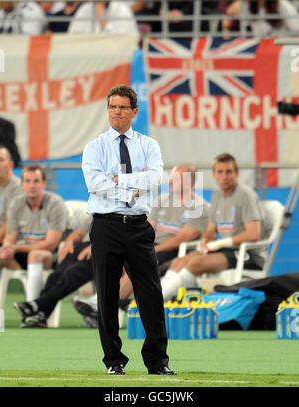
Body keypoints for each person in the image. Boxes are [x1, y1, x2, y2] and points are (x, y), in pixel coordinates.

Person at [82, 84, 176, 376]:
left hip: (138, 227)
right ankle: (113, 361)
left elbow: (155, 179)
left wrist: (118, 180)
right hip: (105, 226)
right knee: (107, 296)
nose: (117, 112)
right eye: (112, 106)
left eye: (123, 107)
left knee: (151, 294)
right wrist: (132, 188)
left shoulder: (149, 145)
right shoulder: (95, 146)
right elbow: (94, 184)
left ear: (134, 111)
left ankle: (157, 362)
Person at [74, 164, 210, 327]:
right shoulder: (161, 200)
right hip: (151, 247)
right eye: (172, 178)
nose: (172, 182)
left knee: (137, 262)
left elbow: (182, 238)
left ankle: (99, 304)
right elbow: (148, 227)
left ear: (190, 182)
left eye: (177, 179)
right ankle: (102, 310)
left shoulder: (200, 206)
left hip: (174, 252)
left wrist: (151, 249)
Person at [160, 153, 271, 302]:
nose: (224, 176)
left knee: (195, 263)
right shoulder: (217, 195)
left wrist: (220, 243)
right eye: (220, 172)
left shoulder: (246, 195)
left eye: (229, 171)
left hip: (248, 254)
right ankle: (159, 299)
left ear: (236, 173)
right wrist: (205, 241)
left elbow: (253, 234)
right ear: (214, 175)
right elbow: (211, 231)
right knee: (178, 262)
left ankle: (156, 303)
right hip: (226, 250)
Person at [0, 164, 69, 322]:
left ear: (44, 183)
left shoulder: (55, 203)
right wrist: (7, 247)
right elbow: (11, 235)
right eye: (28, 181)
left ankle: (31, 311)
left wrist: (15, 246)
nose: (32, 185)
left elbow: (51, 243)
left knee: (35, 254)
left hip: (50, 257)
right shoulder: (16, 203)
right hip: (20, 254)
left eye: (36, 181)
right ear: (22, 184)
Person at [13, 212, 93, 328]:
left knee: (72, 274)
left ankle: (36, 306)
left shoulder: (122, 213)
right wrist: (69, 241)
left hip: (105, 251)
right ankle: (40, 315)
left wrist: (96, 246)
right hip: (83, 248)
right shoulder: (96, 211)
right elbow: (78, 234)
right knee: (55, 276)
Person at [222, 0, 299, 37]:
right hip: (261, 50)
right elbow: (229, 12)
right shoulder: (248, 7)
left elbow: (297, 32)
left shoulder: (282, 4)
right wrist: (226, 29)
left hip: (280, 49)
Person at [0, 144, 23, 244]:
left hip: (11, 243)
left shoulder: (19, 188)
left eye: (0, 160)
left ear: (11, 165)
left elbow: (10, 224)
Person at [68, 1, 138, 34]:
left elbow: (121, 42)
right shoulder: (84, 9)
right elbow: (73, 36)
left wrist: (101, 17)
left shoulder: (122, 9)